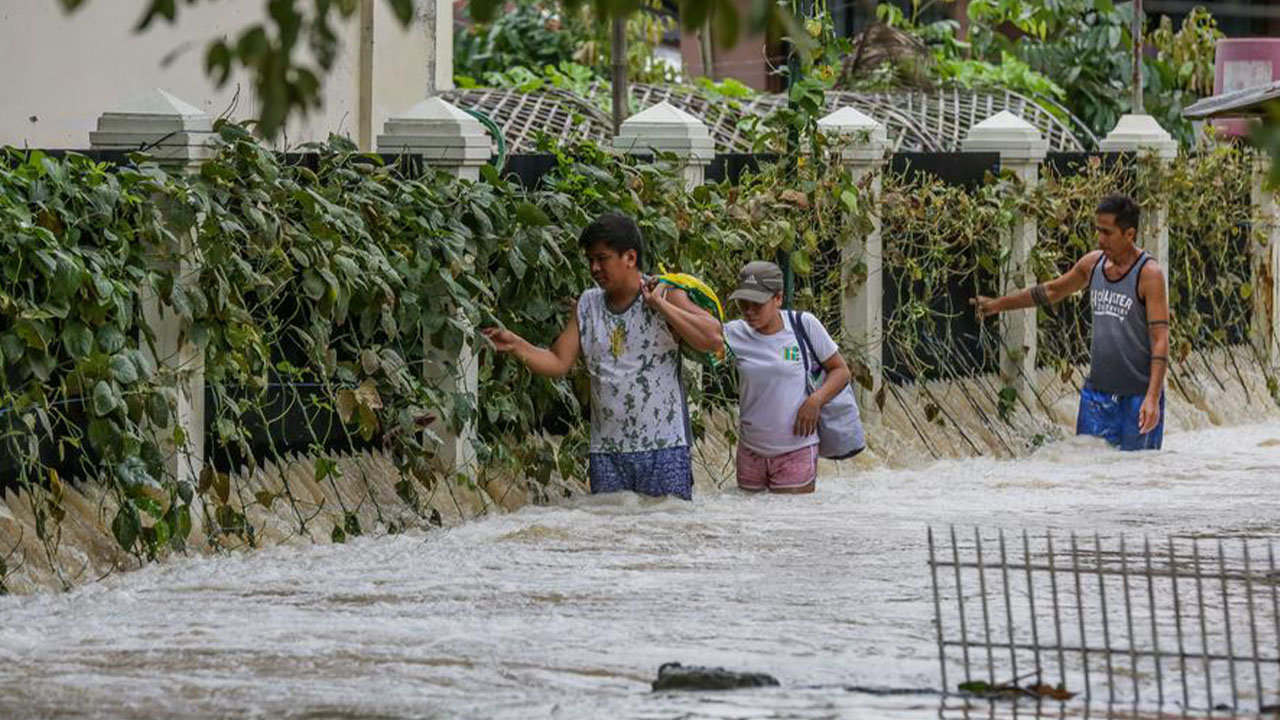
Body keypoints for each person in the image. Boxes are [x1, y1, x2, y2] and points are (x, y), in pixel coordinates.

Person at [481, 214, 722, 500]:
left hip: (664, 448)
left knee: (664, 537)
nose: (594, 268)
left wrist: (660, 305)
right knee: (608, 538)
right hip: (607, 451)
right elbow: (558, 362)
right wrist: (516, 344)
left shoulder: (664, 292)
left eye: (602, 258)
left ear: (630, 257)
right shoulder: (587, 304)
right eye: (590, 260)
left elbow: (713, 338)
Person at [972, 193, 1169, 450]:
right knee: (1088, 469)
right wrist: (998, 304)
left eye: (1107, 233)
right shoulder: (1093, 264)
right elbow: (1051, 291)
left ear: (1129, 234)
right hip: (1097, 396)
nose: (1100, 239)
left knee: (1136, 475)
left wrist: (1152, 398)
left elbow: (1160, 339)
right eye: (1098, 230)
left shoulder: (1149, 274)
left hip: (1138, 397)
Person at [723, 261, 853, 493]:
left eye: (757, 304)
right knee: (747, 524)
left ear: (778, 298)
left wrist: (816, 400)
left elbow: (841, 370)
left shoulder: (804, 325)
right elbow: (700, 335)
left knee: (790, 524)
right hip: (750, 452)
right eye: (744, 304)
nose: (749, 311)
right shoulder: (734, 333)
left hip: (797, 451)